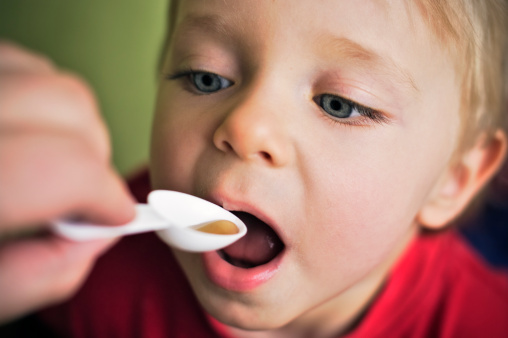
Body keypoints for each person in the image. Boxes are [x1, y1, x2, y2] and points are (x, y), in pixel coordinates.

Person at [2, 0, 508, 337]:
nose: (246, 126)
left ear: (454, 178)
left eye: (339, 104)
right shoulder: (85, 268)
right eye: (206, 77)